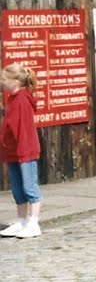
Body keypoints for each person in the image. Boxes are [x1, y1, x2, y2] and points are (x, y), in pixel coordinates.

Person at [0, 64, 43, 239]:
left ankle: (34, 221)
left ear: (15, 81)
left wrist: (23, 151)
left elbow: (23, 129)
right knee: (17, 188)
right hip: (13, 151)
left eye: (4, 80)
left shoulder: (22, 100)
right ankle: (21, 220)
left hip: (25, 151)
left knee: (29, 187)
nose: (2, 83)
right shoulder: (12, 99)